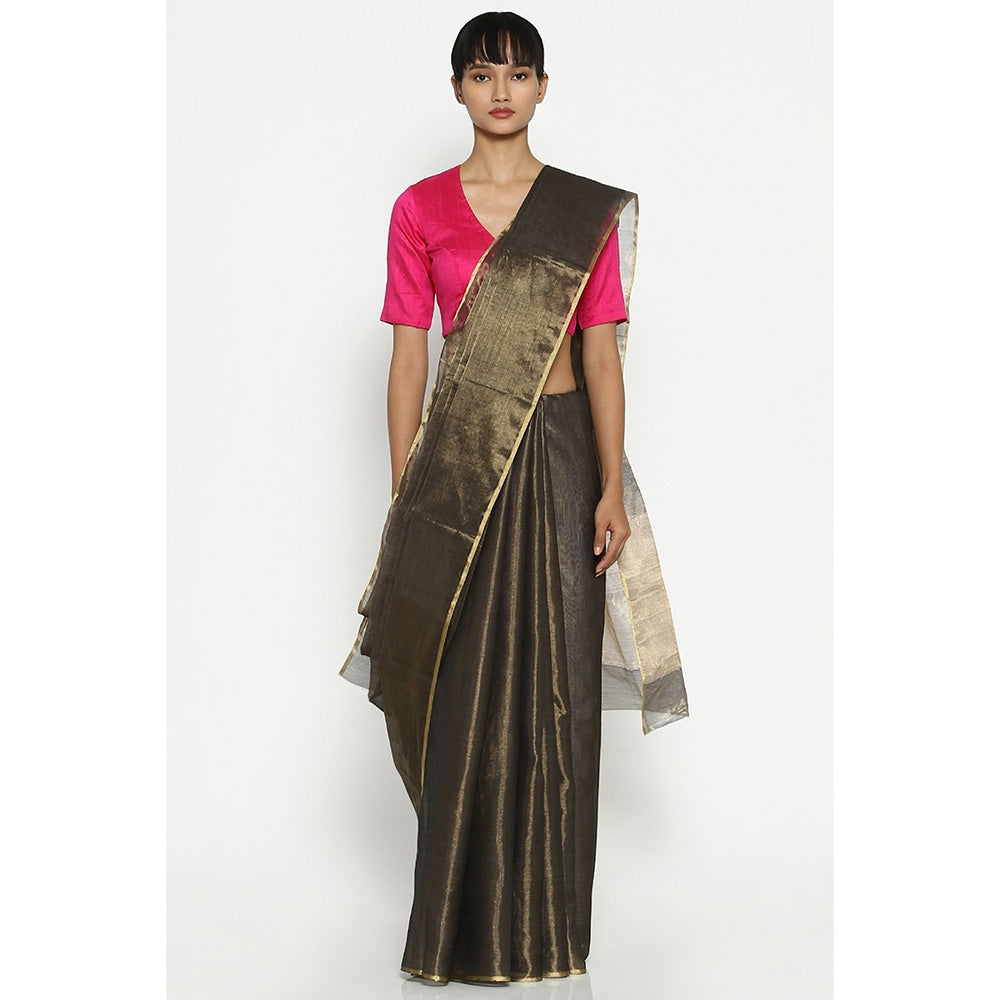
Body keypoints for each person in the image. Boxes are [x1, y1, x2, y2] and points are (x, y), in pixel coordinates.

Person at [340, 11, 689, 986]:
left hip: (564, 457)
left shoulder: (579, 213)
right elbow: (408, 356)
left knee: (563, 685)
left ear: (542, 87)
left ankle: (549, 931)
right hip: (458, 464)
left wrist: (610, 483)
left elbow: (600, 356)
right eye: (483, 73)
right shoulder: (418, 209)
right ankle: (454, 928)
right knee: (458, 682)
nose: (501, 90)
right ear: (456, 87)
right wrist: (404, 485)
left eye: (519, 73)